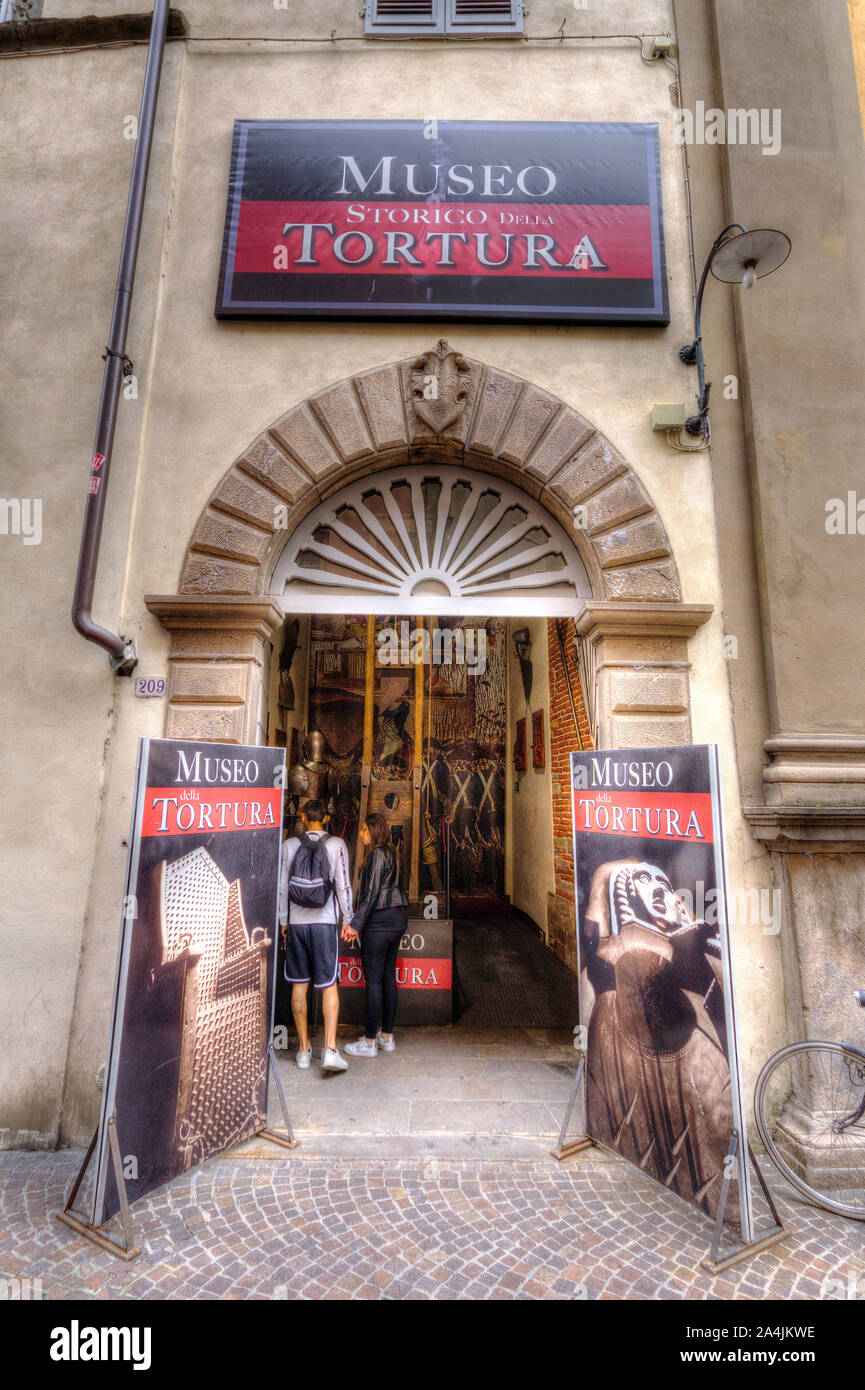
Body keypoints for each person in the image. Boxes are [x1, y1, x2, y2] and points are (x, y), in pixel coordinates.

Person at [279, 799, 353, 1073]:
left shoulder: (289, 845)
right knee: (328, 985)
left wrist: (284, 921)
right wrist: (348, 919)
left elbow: (282, 887)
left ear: (302, 816)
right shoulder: (336, 845)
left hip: (297, 924)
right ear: (326, 817)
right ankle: (330, 1050)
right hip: (325, 924)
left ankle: (303, 1049)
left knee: (299, 985)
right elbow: (343, 886)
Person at [341, 813, 409, 1058]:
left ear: (373, 831)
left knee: (372, 981)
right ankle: (386, 1036)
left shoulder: (376, 855)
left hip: (379, 923)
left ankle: (369, 1042)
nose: (360, 834)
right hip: (397, 919)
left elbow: (370, 895)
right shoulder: (393, 852)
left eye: (363, 830)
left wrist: (355, 924)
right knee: (388, 977)